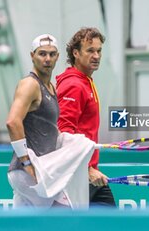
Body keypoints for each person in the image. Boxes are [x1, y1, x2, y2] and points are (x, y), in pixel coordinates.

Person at [6, 34, 69, 207]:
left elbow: (48, 128)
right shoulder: (30, 84)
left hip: (39, 170)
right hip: (29, 171)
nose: (47, 59)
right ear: (32, 56)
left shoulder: (50, 88)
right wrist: (26, 162)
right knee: (65, 214)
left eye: (51, 54)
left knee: (23, 224)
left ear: (57, 57)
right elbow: (12, 122)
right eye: (42, 54)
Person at [56, 27, 116, 207]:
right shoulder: (74, 85)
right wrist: (87, 169)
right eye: (90, 51)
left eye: (99, 51)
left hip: (86, 174)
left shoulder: (86, 81)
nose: (96, 56)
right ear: (76, 53)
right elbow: (63, 132)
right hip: (76, 175)